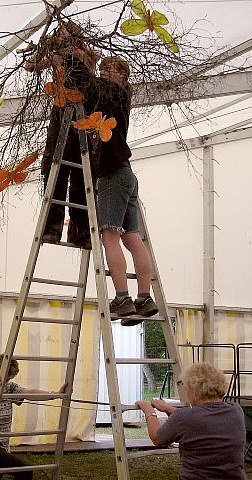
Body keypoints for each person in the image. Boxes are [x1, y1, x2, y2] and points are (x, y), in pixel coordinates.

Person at [91, 55, 158, 325]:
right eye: (103, 68)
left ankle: (122, 297)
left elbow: (91, 89)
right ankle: (144, 297)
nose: (106, 72)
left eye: (113, 69)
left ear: (124, 75)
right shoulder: (120, 96)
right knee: (133, 238)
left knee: (110, 236)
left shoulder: (114, 93)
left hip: (112, 174)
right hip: (127, 174)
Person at [25, 20, 100, 249]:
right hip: (61, 110)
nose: (61, 36)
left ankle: (80, 229)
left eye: (64, 32)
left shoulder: (84, 52)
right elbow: (31, 66)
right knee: (54, 166)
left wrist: (61, 53)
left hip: (81, 111)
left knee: (80, 173)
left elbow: (87, 65)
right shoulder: (57, 53)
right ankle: (53, 226)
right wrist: (43, 46)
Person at [135, 362, 246, 480]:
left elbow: (156, 438)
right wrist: (170, 409)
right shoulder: (236, 411)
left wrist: (148, 410)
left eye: (187, 389)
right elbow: (202, 419)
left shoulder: (185, 417)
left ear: (193, 390)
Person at [0, 354, 67, 480]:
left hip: (0, 449)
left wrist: (55, 394)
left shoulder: (9, 387)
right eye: (0, 377)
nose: (4, 381)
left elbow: (29, 392)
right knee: (25, 471)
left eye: (7, 379)